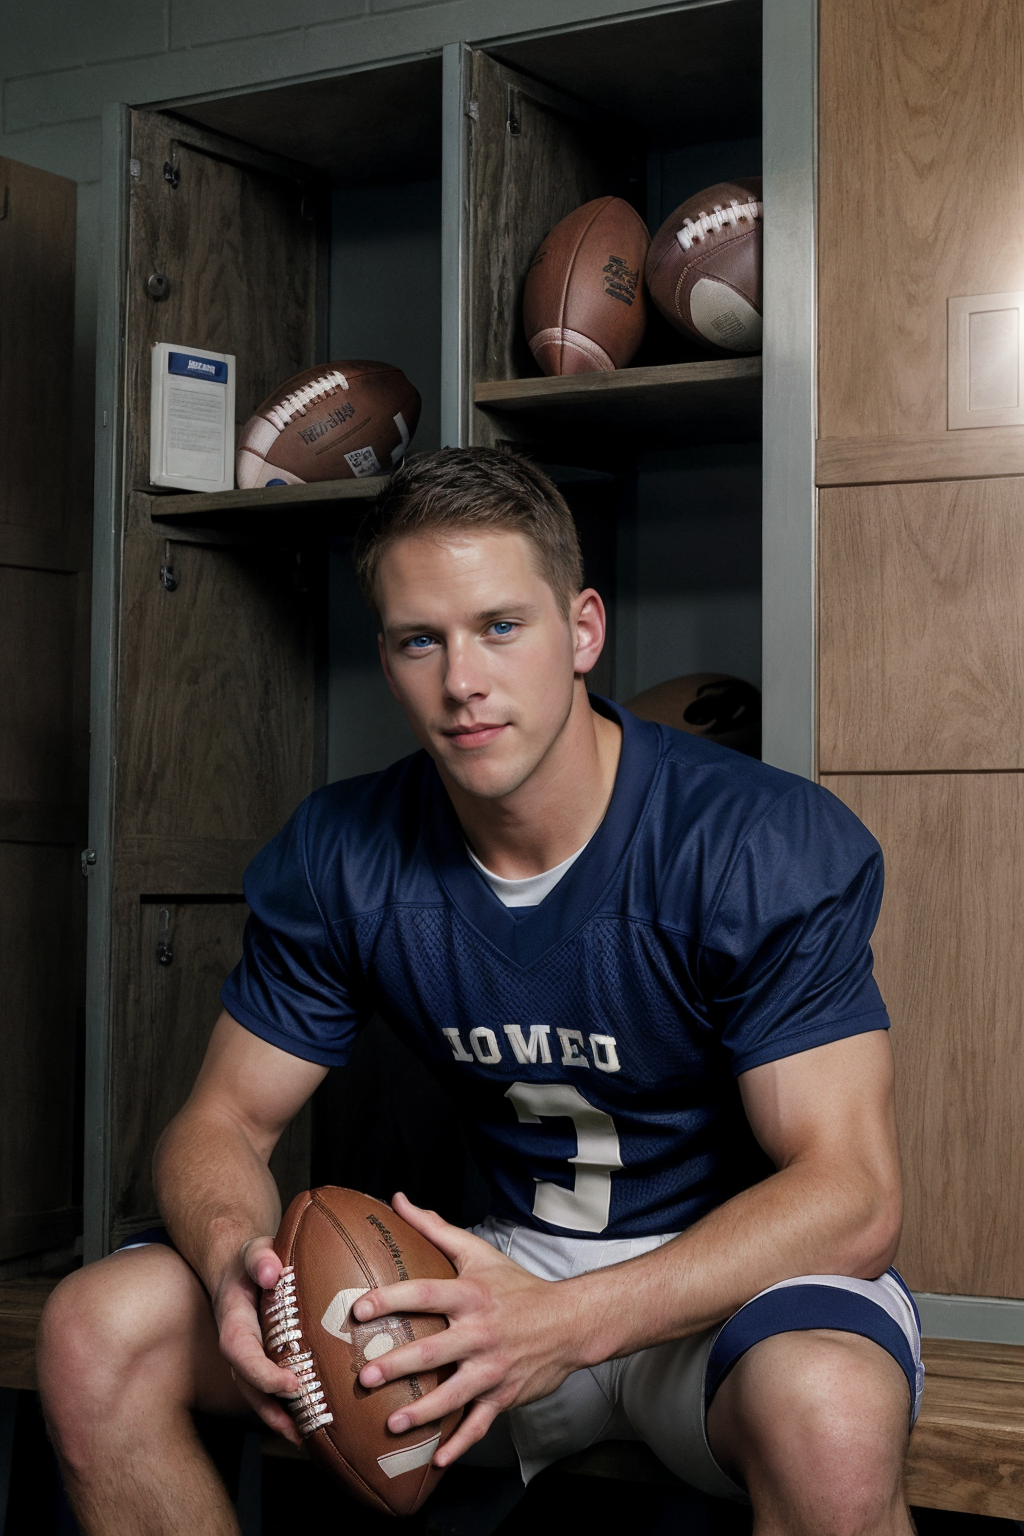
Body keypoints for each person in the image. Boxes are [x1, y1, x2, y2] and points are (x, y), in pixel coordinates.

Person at [38, 448, 920, 1536]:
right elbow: (218, 1123)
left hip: (730, 1295)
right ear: (388, 656)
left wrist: (570, 1320)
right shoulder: (345, 852)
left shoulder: (749, 842)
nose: (462, 681)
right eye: (422, 640)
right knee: (101, 1325)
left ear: (583, 629)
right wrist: (240, 1269)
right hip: (502, 1271)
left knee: (829, 1415)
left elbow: (853, 1196)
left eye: (501, 626)